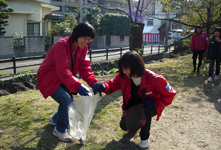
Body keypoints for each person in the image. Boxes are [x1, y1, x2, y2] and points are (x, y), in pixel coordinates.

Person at [92, 51, 176, 149]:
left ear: (136, 66)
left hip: (149, 107)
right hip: (132, 106)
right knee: (124, 126)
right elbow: (112, 84)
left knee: (144, 112)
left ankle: (145, 139)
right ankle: (137, 123)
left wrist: (155, 102)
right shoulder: (123, 76)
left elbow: (170, 94)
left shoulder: (154, 79)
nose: (124, 71)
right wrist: (103, 86)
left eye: (126, 68)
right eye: (122, 68)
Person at [37, 22, 98, 142]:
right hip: (48, 78)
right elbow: (62, 70)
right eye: (84, 38)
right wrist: (78, 85)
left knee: (68, 101)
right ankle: (60, 130)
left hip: (63, 78)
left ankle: (55, 120)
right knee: (66, 100)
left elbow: (85, 67)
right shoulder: (62, 45)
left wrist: (93, 83)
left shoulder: (83, 48)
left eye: (89, 40)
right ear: (77, 34)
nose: (86, 42)